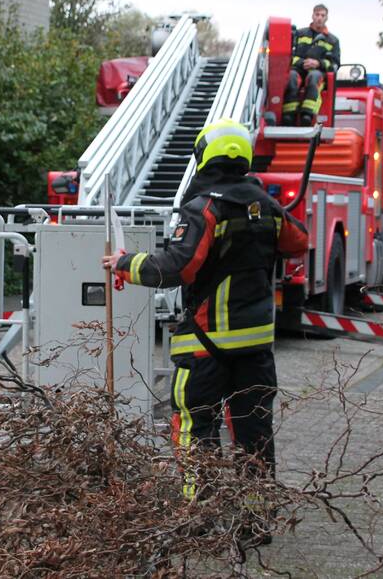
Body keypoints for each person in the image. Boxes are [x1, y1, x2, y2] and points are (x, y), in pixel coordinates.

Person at [101, 118, 308, 501]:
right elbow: (298, 242)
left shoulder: (205, 208)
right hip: (256, 348)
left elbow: (179, 267)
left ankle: (201, 509)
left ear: (203, 156)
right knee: (254, 435)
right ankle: (256, 514)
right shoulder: (266, 207)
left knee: (195, 427)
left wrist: (125, 263)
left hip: (206, 345)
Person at [281, 4, 340, 126]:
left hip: (318, 72)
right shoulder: (299, 34)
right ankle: (289, 115)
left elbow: (335, 64)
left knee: (314, 77)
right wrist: (303, 63)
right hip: (299, 69)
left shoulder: (333, 40)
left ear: (326, 18)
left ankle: (307, 115)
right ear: (312, 16)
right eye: (317, 15)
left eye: (322, 15)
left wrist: (318, 63)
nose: (319, 18)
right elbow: (289, 56)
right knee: (291, 76)